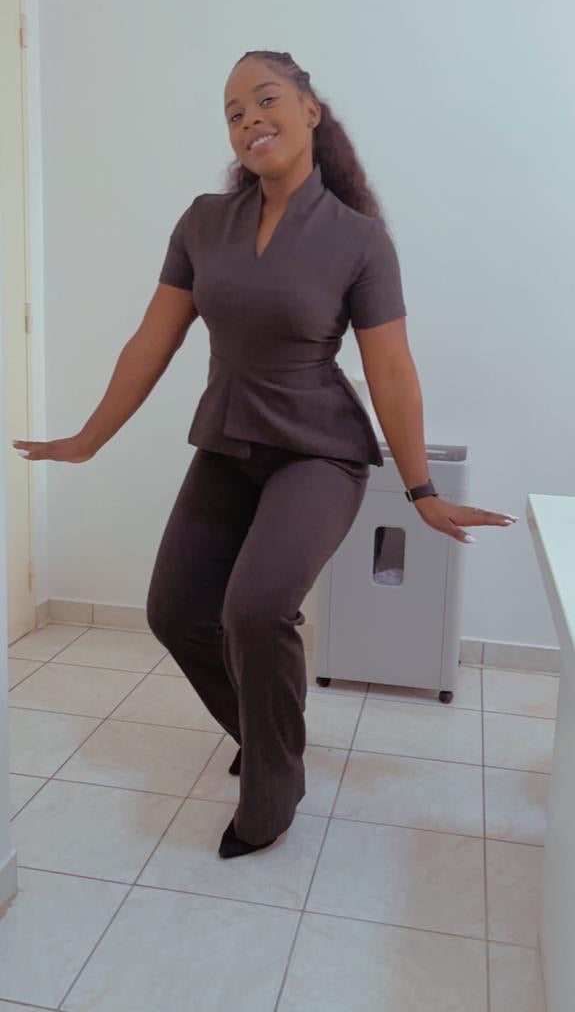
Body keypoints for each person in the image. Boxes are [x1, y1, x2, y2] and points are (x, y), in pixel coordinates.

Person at [11, 49, 518, 860]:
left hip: (317, 454)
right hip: (226, 444)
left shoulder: (358, 240)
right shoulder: (203, 222)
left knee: (254, 609)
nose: (250, 119)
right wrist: (88, 437)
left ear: (311, 110)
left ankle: (273, 787)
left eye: (266, 100)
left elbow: (389, 366)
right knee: (175, 613)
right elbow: (153, 338)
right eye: (233, 112)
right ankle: (261, 731)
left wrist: (419, 488)